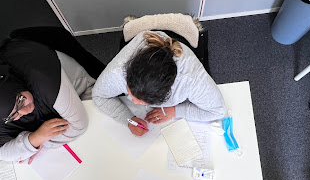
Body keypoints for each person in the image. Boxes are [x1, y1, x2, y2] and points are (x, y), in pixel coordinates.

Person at [0, 27, 105, 163]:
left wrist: (37, 144)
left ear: (11, 81)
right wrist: (33, 139)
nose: (25, 111)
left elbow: (79, 125)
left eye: (20, 102)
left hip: (83, 92)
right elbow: (0, 152)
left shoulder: (40, 75)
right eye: (12, 115)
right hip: (55, 112)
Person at [92, 31, 226, 136]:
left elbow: (218, 111)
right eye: (129, 92)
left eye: (141, 101)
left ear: (167, 94)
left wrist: (175, 111)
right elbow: (99, 95)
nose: (133, 101)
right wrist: (127, 118)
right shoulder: (118, 71)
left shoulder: (192, 79)